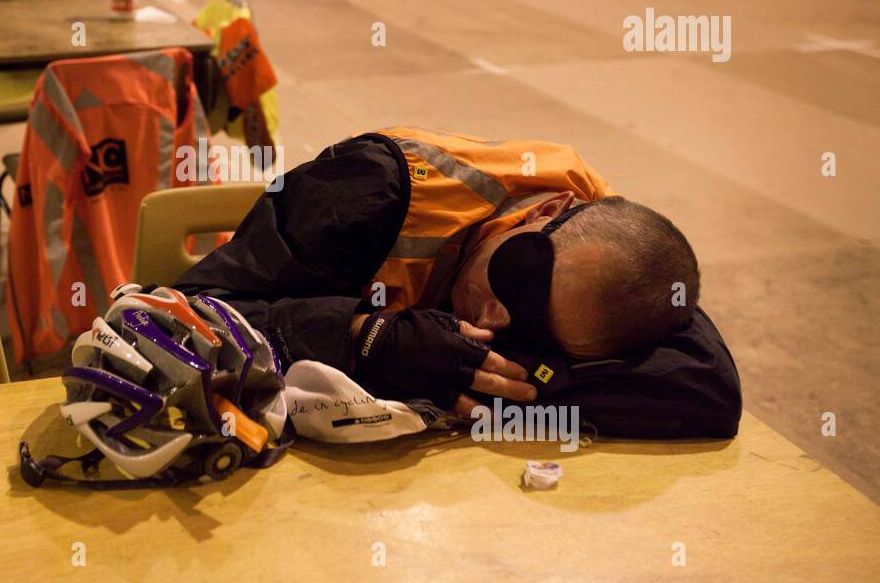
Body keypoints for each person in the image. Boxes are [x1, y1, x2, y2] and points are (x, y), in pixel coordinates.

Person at [175, 129, 742, 440]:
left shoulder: (605, 252)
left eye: (530, 329)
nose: (494, 320)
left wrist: (544, 377)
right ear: (548, 208)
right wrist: (363, 340)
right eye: (514, 281)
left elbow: (709, 391)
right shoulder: (368, 190)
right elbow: (176, 317)